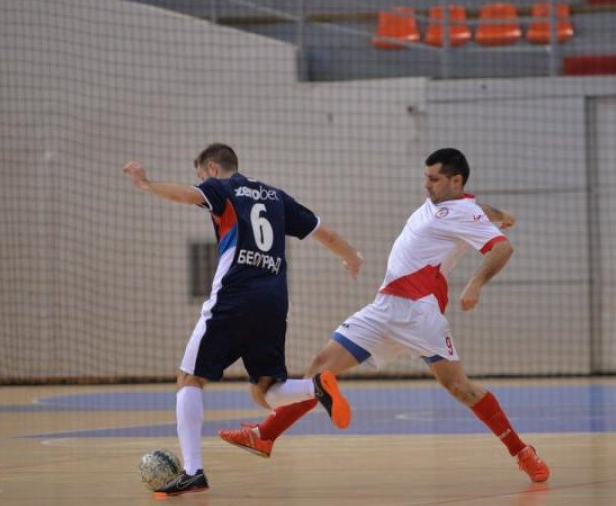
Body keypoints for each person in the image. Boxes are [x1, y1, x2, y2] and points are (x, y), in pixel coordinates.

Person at [218, 147, 550, 483]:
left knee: (459, 387)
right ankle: (265, 436)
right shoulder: (449, 204)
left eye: (434, 179)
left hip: (419, 313)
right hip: (383, 308)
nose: (427, 185)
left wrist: (475, 284)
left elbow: (502, 248)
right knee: (320, 370)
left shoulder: (464, 213)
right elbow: (476, 206)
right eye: (426, 178)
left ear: (455, 180)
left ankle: (522, 452)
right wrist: (500, 212)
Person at [122, 143, 363, 496]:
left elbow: (189, 196)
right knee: (265, 390)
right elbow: (323, 233)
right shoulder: (277, 197)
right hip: (274, 300)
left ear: (212, 168)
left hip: (235, 295)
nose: (201, 183)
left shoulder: (223, 188)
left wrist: (148, 185)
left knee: (189, 379)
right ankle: (316, 387)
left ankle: (193, 471)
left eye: (201, 176)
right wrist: (352, 257)